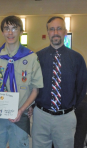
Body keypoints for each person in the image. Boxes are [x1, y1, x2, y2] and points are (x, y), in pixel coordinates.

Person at [0, 15, 43, 148]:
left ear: (21, 31)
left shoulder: (31, 57)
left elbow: (35, 90)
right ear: (2, 32)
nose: (10, 33)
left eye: (14, 28)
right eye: (7, 29)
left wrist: (21, 110)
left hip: (20, 116)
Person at [32, 16, 87, 148]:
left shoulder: (77, 58)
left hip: (65, 117)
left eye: (59, 29)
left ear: (65, 31)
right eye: (52, 29)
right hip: (41, 116)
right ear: (47, 32)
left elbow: (81, 88)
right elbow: (32, 86)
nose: (55, 32)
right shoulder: (37, 58)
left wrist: (69, 108)